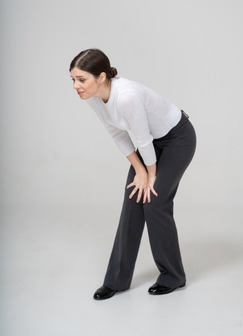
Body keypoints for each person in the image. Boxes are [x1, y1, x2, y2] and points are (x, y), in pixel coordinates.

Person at [69, 48, 196, 300]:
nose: (76, 86)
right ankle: (116, 280)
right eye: (73, 79)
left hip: (177, 139)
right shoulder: (94, 96)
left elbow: (142, 138)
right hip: (151, 144)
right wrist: (140, 171)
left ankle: (173, 276)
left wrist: (150, 175)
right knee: (133, 200)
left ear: (101, 76)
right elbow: (117, 134)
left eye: (81, 79)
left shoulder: (126, 96)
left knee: (155, 202)